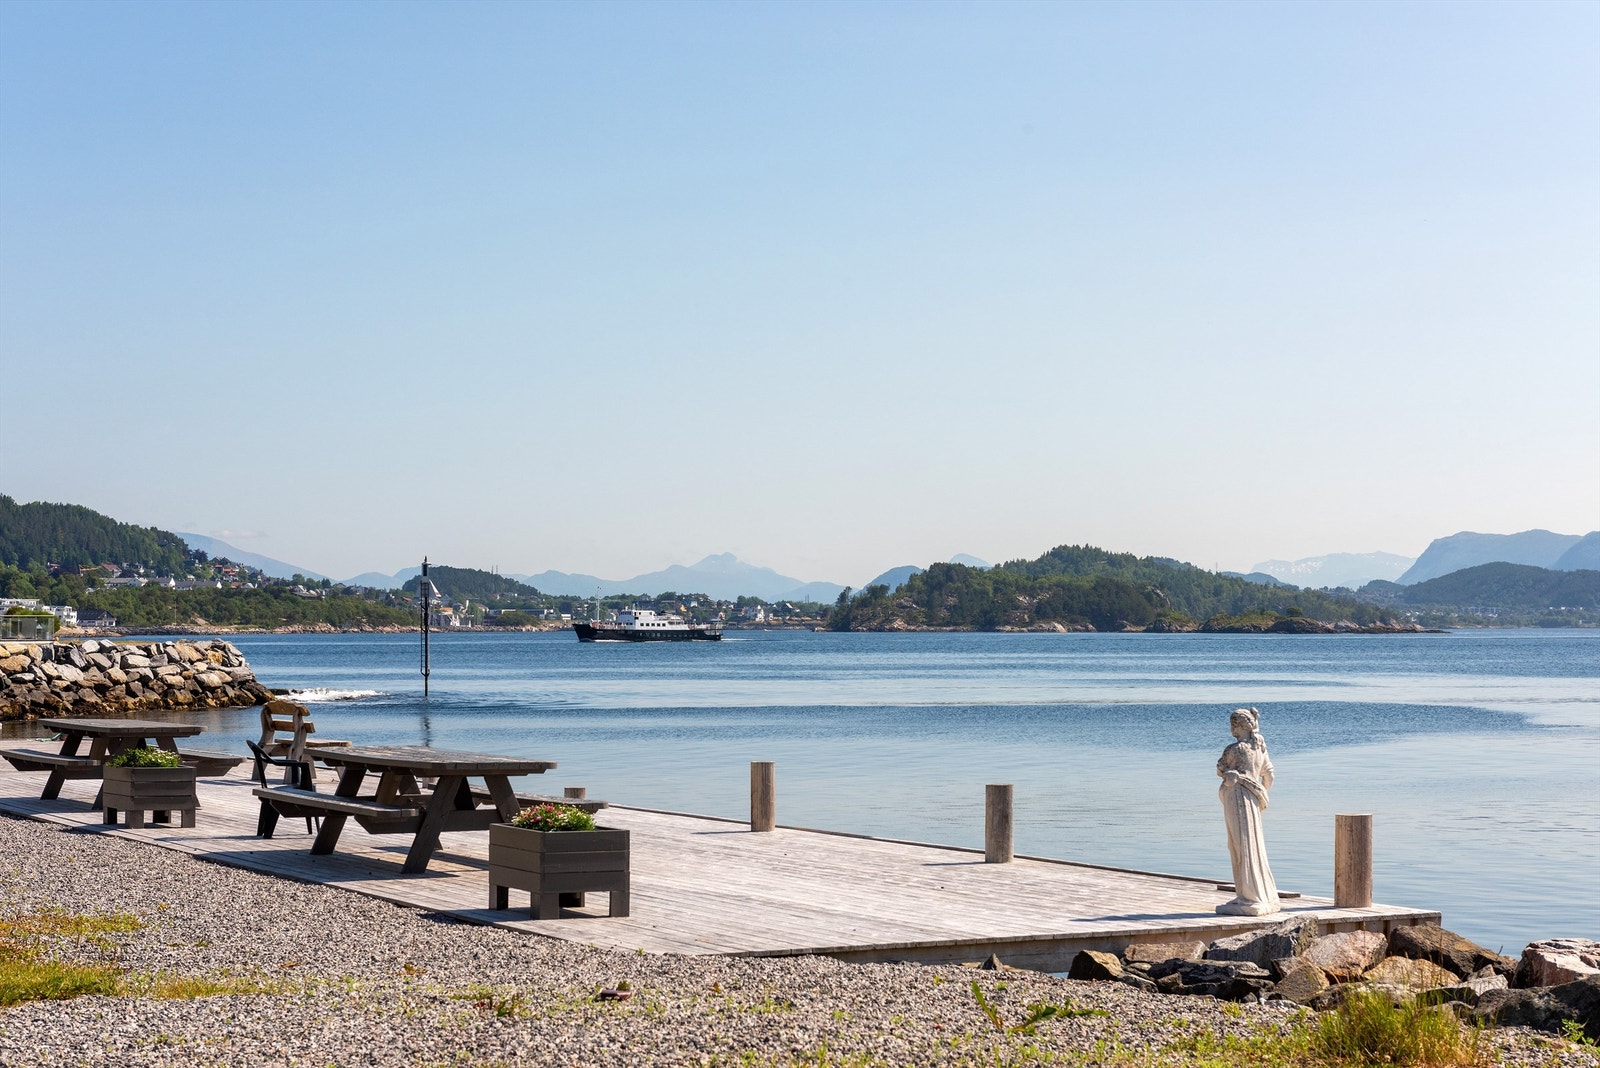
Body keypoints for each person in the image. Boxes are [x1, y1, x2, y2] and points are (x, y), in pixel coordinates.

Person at [1216, 706, 1280, 916]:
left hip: (1236, 796)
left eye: (1233, 724)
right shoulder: (1260, 746)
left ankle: (1248, 896)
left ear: (1238, 726)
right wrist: (1261, 794)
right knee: (1253, 843)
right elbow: (1269, 774)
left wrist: (1233, 776)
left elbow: (1220, 769)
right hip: (1252, 798)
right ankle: (1261, 894)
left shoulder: (1234, 749)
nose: (1231, 728)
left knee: (1239, 843)